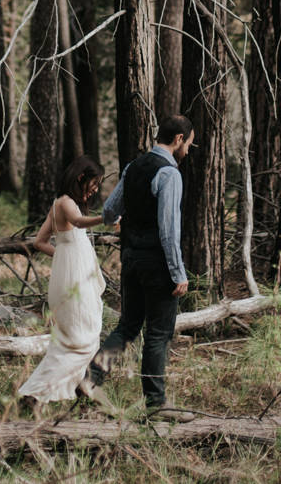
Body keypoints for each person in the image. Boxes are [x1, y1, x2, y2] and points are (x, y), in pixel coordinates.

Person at [90, 115, 193, 411]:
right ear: (178, 140)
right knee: (158, 333)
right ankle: (156, 402)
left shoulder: (133, 167)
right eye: (189, 142)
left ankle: (91, 378)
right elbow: (168, 230)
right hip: (157, 264)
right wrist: (178, 272)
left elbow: (109, 211)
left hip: (131, 259)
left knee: (128, 326)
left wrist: (124, 223)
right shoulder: (169, 174)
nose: (188, 148)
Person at [15, 155, 109, 403]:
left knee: (75, 337)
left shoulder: (59, 204)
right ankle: (38, 391)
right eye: (94, 184)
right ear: (81, 178)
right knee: (82, 339)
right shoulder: (66, 202)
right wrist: (104, 218)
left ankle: (75, 388)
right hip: (74, 281)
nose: (96, 189)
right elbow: (78, 222)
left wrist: (65, 257)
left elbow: (39, 242)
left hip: (70, 274)